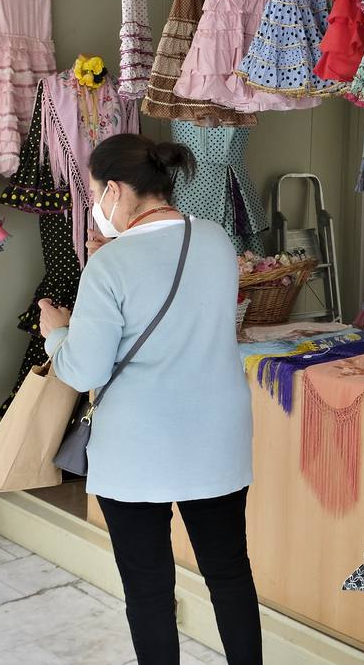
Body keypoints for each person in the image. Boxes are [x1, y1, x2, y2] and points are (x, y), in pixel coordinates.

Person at [37, 133, 259, 665]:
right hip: (218, 439)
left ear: (114, 190)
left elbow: (85, 367)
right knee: (229, 574)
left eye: (94, 192)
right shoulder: (216, 240)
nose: (96, 205)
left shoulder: (108, 267)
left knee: (149, 589)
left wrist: (56, 333)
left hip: (138, 448)